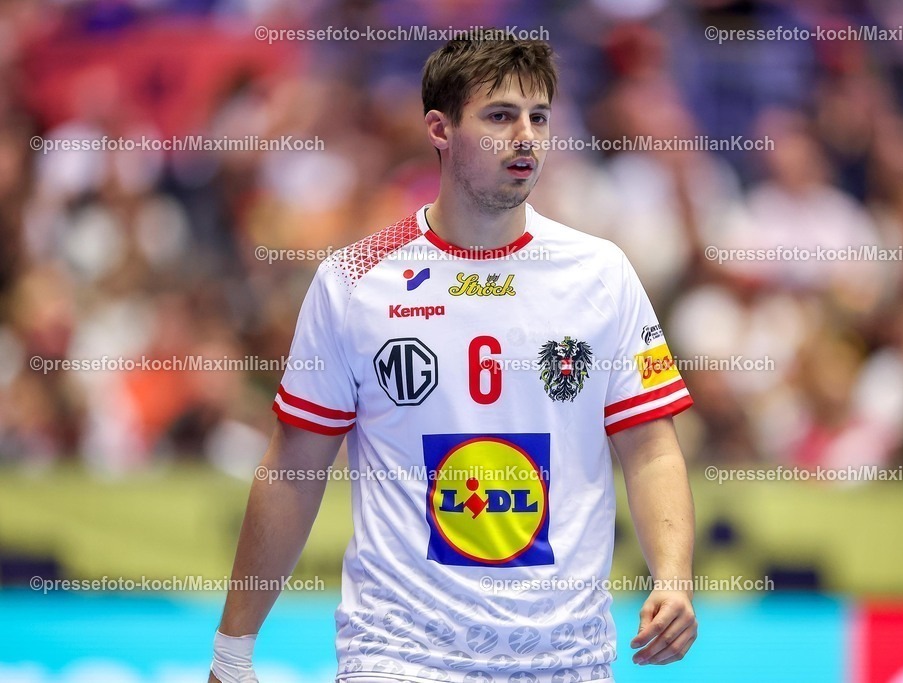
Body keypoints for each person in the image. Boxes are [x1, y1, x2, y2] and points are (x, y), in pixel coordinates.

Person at [210, 31, 697, 683]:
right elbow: (294, 469)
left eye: (539, 117)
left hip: (565, 658)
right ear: (440, 129)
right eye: (500, 116)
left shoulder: (601, 273)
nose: (525, 137)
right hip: (399, 654)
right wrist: (232, 651)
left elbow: (652, 448)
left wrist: (673, 578)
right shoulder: (355, 280)